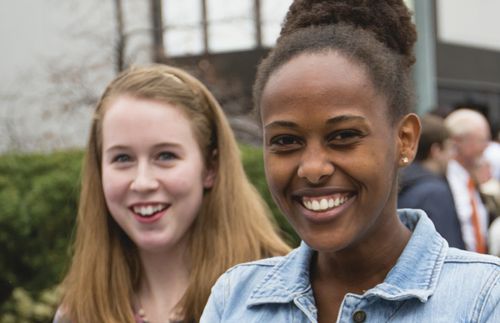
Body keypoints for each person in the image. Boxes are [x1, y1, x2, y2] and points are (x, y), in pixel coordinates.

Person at [201, 0, 500, 322]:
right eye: (286, 141)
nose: (313, 169)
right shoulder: (235, 297)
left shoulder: (483, 299)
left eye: (343, 136)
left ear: (405, 140)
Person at [53, 64, 290, 323]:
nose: (142, 183)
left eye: (166, 156)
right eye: (122, 158)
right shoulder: (78, 313)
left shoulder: (281, 295)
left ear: (210, 167)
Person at [398, 114, 465, 249]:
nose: (452, 155)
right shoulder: (436, 192)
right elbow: (446, 249)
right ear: (436, 150)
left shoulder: (396, 181)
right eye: (450, 148)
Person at [445, 108, 491, 253]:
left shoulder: (470, 181)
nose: (486, 146)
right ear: (457, 141)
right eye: (482, 140)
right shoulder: (443, 181)